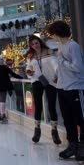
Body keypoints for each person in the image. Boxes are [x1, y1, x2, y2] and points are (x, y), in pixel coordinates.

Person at [47, 21, 84, 160]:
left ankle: (81, 147)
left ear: (58, 32)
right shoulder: (60, 46)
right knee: (68, 119)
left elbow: (78, 67)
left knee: (80, 118)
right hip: (62, 87)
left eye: (53, 34)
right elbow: (62, 66)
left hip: (75, 87)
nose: (52, 37)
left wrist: (61, 61)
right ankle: (72, 145)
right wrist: (57, 75)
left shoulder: (73, 46)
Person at [25, 35, 61, 144]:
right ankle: (37, 130)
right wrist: (28, 71)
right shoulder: (30, 56)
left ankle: (54, 131)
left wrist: (57, 75)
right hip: (37, 81)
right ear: (31, 46)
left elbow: (55, 64)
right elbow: (29, 67)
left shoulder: (48, 51)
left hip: (50, 82)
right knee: (38, 106)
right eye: (33, 44)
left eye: (36, 43)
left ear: (40, 42)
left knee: (51, 106)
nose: (35, 45)